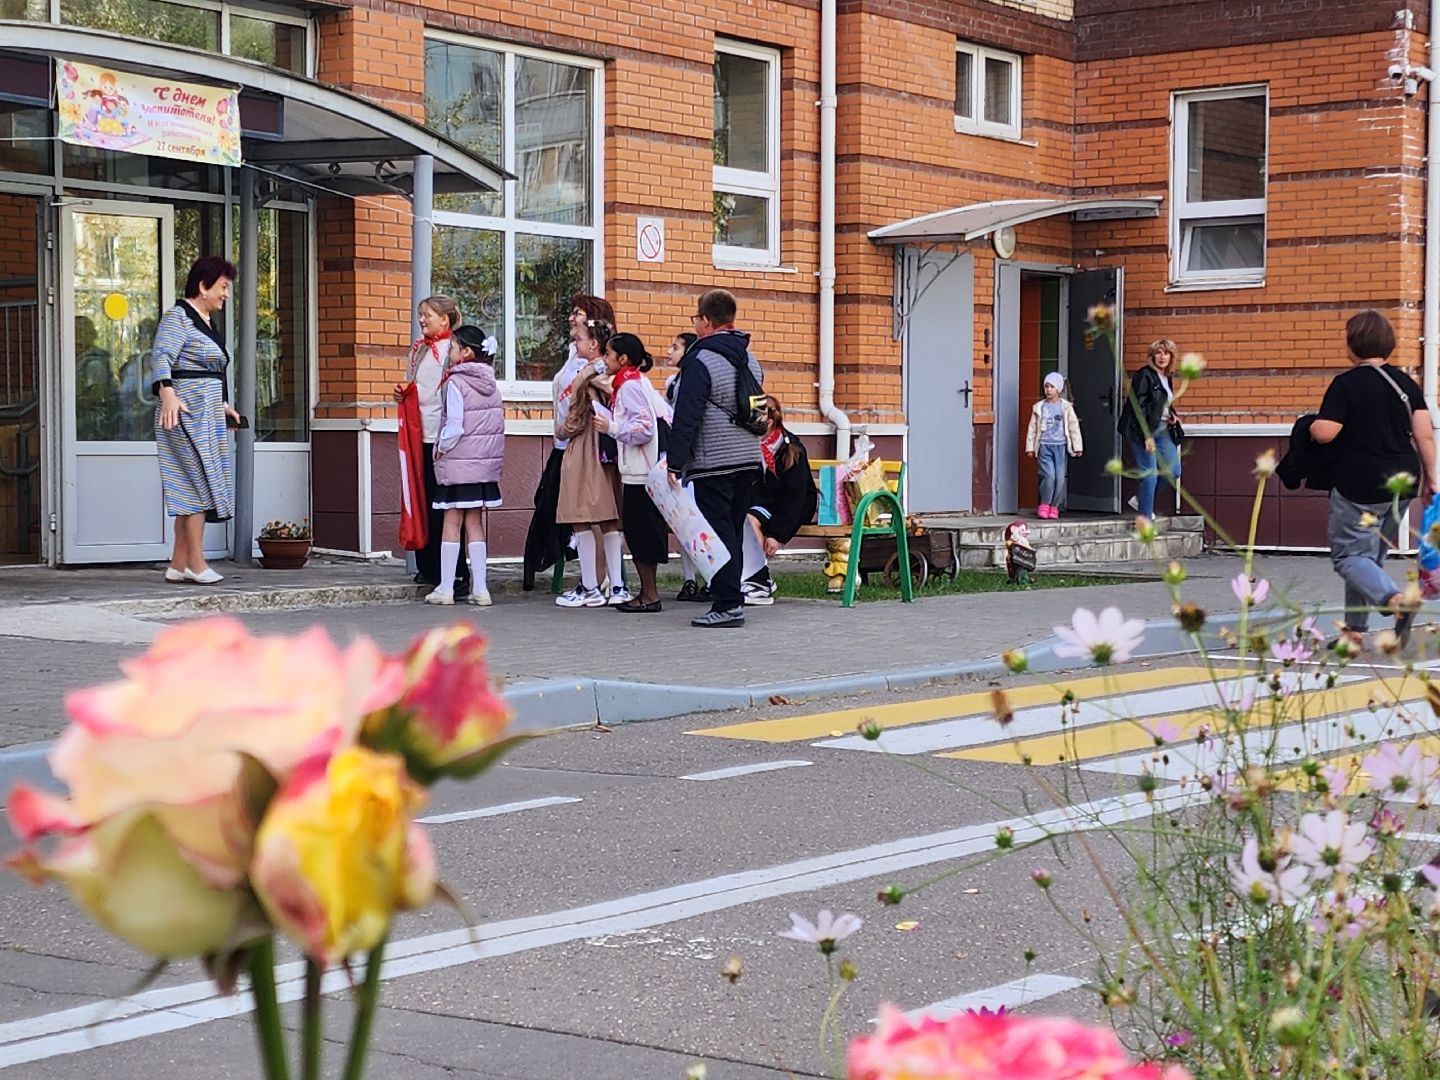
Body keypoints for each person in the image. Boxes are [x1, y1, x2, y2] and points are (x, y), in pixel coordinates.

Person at [1309, 309, 1437, 648]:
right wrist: (1431, 478)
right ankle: (1354, 631)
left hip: (1359, 483)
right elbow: (1424, 434)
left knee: (1349, 556)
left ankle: (1396, 602)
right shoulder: (1406, 384)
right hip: (1403, 481)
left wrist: (1309, 425)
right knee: (1367, 557)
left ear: (1352, 344)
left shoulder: (1346, 384)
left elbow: (1326, 432)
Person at [668, 288, 764, 628]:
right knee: (732, 530)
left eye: (696, 318)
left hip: (715, 461)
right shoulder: (748, 357)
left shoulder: (700, 359)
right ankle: (732, 596)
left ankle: (727, 603)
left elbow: (688, 414)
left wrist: (675, 462)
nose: (695, 325)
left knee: (718, 532)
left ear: (706, 321)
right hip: (749, 457)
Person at [153, 255, 242, 585]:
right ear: (203, 286)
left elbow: (210, 371)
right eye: (222, 287)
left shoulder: (205, 321)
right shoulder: (178, 317)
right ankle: (197, 563)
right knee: (195, 487)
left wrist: (222, 405)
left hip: (206, 413)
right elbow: (162, 355)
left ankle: (178, 564)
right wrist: (167, 394)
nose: (226, 294)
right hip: (183, 412)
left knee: (191, 485)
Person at [524, 295, 616, 591]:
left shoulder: (600, 361)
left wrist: (568, 426)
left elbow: (605, 392)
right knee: (563, 509)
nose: (570, 318)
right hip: (566, 444)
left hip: (588, 442)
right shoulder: (572, 355)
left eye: (577, 313)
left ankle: (599, 579)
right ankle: (589, 576)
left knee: (595, 511)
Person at [393, 295, 469, 599]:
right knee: (423, 502)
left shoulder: (452, 350)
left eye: (427, 315)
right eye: (420, 315)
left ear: (445, 320)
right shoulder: (422, 349)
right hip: (420, 436)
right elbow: (422, 390)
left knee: (445, 509)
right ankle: (428, 566)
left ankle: (455, 573)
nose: (421, 320)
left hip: (443, 440)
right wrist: (405, 394)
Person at [425, 325, 503, 607]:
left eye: (454, 348)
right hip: (482, 466)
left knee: (452, 520)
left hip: (458, 462)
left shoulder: (456, 383)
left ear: (467, 352)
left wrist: (440, 449)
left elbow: (455, 425)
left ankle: (446, 588)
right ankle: (481, 589)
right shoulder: (490, 383)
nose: (450, 353)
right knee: (474, 522)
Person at [554, 317, 627, 607]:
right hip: (610, 451)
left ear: (593, 344)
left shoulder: (586, 376)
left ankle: (589, 587)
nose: (576, 343)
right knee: (610, 518)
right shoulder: (614, 375)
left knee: (578, 516)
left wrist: (561, 429)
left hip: (585, 450)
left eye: (579, 339)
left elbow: (572, 422)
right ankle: (618, 586)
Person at [601, 331, 672, 612]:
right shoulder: (634, 382)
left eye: (607, 354)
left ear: (623, 358)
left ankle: (649, 595)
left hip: (640, 472)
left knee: (640, 533)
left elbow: (643, 429)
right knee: (642, 532)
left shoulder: (629, 386)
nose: (604, 360)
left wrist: (611, 428)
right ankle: (648, 592)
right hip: (644, 468)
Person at [740, 396, 818, 605]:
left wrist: (777, 535)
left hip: (792, 506)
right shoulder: (753, 443)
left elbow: (795, 495)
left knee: (750, 518)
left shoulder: (789, 447)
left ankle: (760, 579)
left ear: (771, 420)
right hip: (765, 502)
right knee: (739, 515)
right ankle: (745, 576)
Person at [1117, 338, 1182, 522]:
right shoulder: (1143, 375)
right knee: (1150, 473)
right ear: (1152, 356)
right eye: (1158, 353)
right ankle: (1145, 518)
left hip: (1162, 429)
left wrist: (1172, 414)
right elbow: (1139, 407)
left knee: (1173, 470)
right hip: (1140, 430)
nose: (1162, 357)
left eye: (1166, 353)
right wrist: (1146, 436)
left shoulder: (1167, 377)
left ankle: (1140, 499)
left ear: (1171, 357)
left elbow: (1162, 402)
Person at [664, 331, 707, 603]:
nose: (669, 351)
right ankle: (688, 579)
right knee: (683, 524)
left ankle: (709, 577)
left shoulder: (695, 379)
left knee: (701, 523)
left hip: (695, 460)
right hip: (679, 458)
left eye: (676, 347)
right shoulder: (672, 382)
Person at [1025, 371, 1083, 519]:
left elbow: (1073, 427)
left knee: (1060, 478)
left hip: (1061, 446)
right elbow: (1032, 429)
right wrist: (1030, 447)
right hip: (1044, 446)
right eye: (1046, 386)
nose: (1048, 390)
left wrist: (1077, 447)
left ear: (1058, 389)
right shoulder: (1039, 407)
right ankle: (1044, 504)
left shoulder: (1065, 407)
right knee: (1049, 476)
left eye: (1051, 387)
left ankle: (1054, 506)